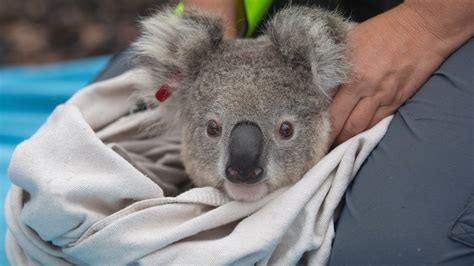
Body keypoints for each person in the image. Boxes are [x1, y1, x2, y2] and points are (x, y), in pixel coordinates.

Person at [94, 0, 473, 264]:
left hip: (450, 20)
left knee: (391, 252)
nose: (243, 165)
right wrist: (203, 48)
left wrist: (424, 23)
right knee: (93, 178)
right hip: (278, 20)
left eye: (286, 131)